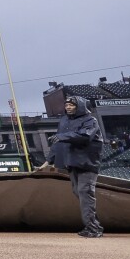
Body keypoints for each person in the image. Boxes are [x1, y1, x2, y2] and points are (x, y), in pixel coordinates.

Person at [43, 95, 105, 237]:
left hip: (87, 163)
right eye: (66, 105)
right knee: (79, 193)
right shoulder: (64, 120)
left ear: (80, 106)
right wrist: (48, 161)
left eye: (72, 105)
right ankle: (93, 225)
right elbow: (57, 142)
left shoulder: (90, 120)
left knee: (85, 192)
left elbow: (85, 136)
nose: (68, 107)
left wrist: (63, 137)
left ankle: (93, 228)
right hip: (71, 162)